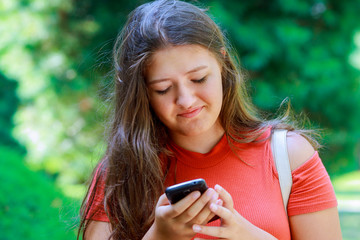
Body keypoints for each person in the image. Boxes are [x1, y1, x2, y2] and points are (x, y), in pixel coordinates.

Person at [78, 0, 342, 239]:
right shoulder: (118, 175)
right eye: (163, 89)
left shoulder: (288, 156)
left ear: (222, 63)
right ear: (142, 93)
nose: (186, 100)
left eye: (199, 79)